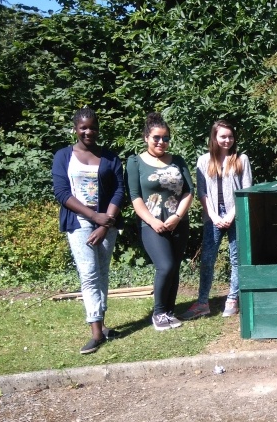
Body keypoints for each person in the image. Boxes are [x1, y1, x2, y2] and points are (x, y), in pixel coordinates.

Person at [52, 107, 125, 354]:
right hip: (80, 221)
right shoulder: (63, 156)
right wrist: (94, 217)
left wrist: (106, 223)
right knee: (89, 273)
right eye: (83, 127)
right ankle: (95, 332)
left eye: (92, 127)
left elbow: (118, 190)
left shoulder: (111, 158)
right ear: (75, 129)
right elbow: (62, 193)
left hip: (108, 220)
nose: (88, 131)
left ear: (98, 128)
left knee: (102, 272)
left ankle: (101, 325)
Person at [126, 112, 194, 331]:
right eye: (156, 137)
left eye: (165, 138)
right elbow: (135, 196)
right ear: (146, 137)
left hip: (178, 223)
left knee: (174, 268)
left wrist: (177, 217)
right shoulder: (135, 162)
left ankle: (169, 311)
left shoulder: (178, 161)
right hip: (152, 225)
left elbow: (188, 192)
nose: (161, 142)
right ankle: (158, 313)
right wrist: (152, 221)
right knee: (164, 266)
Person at [181, 120, 253, 320]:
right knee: (207, 259)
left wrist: (231, 214)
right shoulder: (204, 161)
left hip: (236, 214)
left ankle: (232, 298)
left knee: (237, 258)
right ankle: (202, 302)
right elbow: (202, 192)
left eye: (230, 136)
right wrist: (213, 215)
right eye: (223, 136)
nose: (227, 140)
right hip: (212, 214)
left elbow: (247, 190)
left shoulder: (241, 159)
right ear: (214, 138)